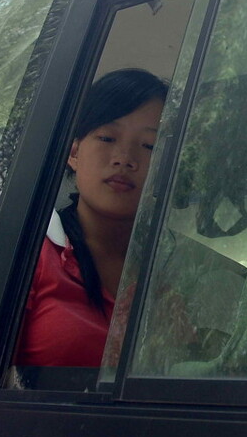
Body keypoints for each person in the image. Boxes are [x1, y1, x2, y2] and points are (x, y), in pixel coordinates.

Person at [14, 69, 168, 367]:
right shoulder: (22, 254)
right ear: (73, 153)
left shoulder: (170, 274)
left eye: (149, 146)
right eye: (107, 137)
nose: (124, 158)